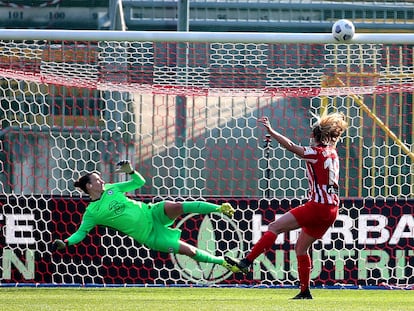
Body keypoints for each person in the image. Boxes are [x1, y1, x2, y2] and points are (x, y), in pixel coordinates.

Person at [226, 111, 348, 299]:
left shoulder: (316, 153)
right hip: (332, 210)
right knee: (301, 249)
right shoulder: (333, 153)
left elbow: (291, 146)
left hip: (317, 206)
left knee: (274, 227)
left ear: (315, 137)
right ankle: (305, 291)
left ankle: (246, 261)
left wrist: (272, 131)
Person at [52, 160, 239, 272]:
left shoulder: (112, 188)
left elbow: (139, 182)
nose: (102, 180)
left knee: (177, 206)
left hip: (151, 212)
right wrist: (66, 242)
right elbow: (81, 233)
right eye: (97, 180)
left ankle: (219, 208)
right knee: (189, 251)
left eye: (101, 178)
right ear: (89, 186)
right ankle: (224, 262)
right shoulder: (92, 213)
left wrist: (131, 171)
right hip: (150, 236)